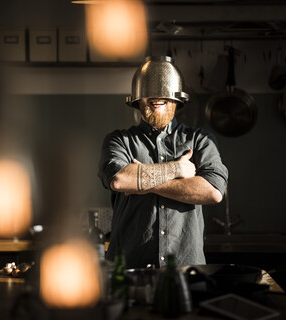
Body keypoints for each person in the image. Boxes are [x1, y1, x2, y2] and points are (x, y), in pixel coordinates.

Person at [98, 56, 228, 268]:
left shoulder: (201, 140)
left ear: (177, 100)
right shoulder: (118, 140)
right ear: (137, 100)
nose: (157, 97)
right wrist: (177, 168)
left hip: (186, 268)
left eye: (164, 95)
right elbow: (120, 181)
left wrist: (141, 183)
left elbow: (212, 191)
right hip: (129, 267)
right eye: (149, 94)